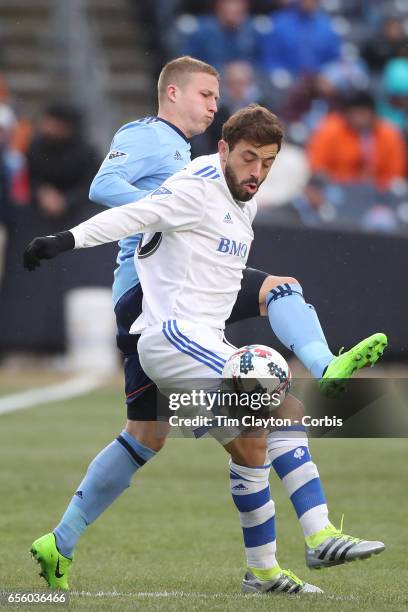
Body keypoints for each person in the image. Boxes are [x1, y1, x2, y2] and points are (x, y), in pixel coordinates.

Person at [25, 105, 386, 593]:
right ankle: (318, 535)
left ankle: (263, 570)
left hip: (200, 338)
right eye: (248, 158)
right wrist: (63, 239)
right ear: (222, 150)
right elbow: (135, 212)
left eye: (267, 163)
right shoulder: (194, 185)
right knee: (268, 391)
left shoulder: (243, 199)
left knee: (256, 435)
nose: (256, 172)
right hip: (170, 337)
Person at [308, 89, 407, 190]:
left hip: (378, 192)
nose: (359, 118)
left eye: (363, 113)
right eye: (355, 113)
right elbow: (317, 164)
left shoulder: (388, 133)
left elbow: (396, 170)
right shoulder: (330, 129)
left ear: (373, 114)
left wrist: (378, 186)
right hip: (338, 189)